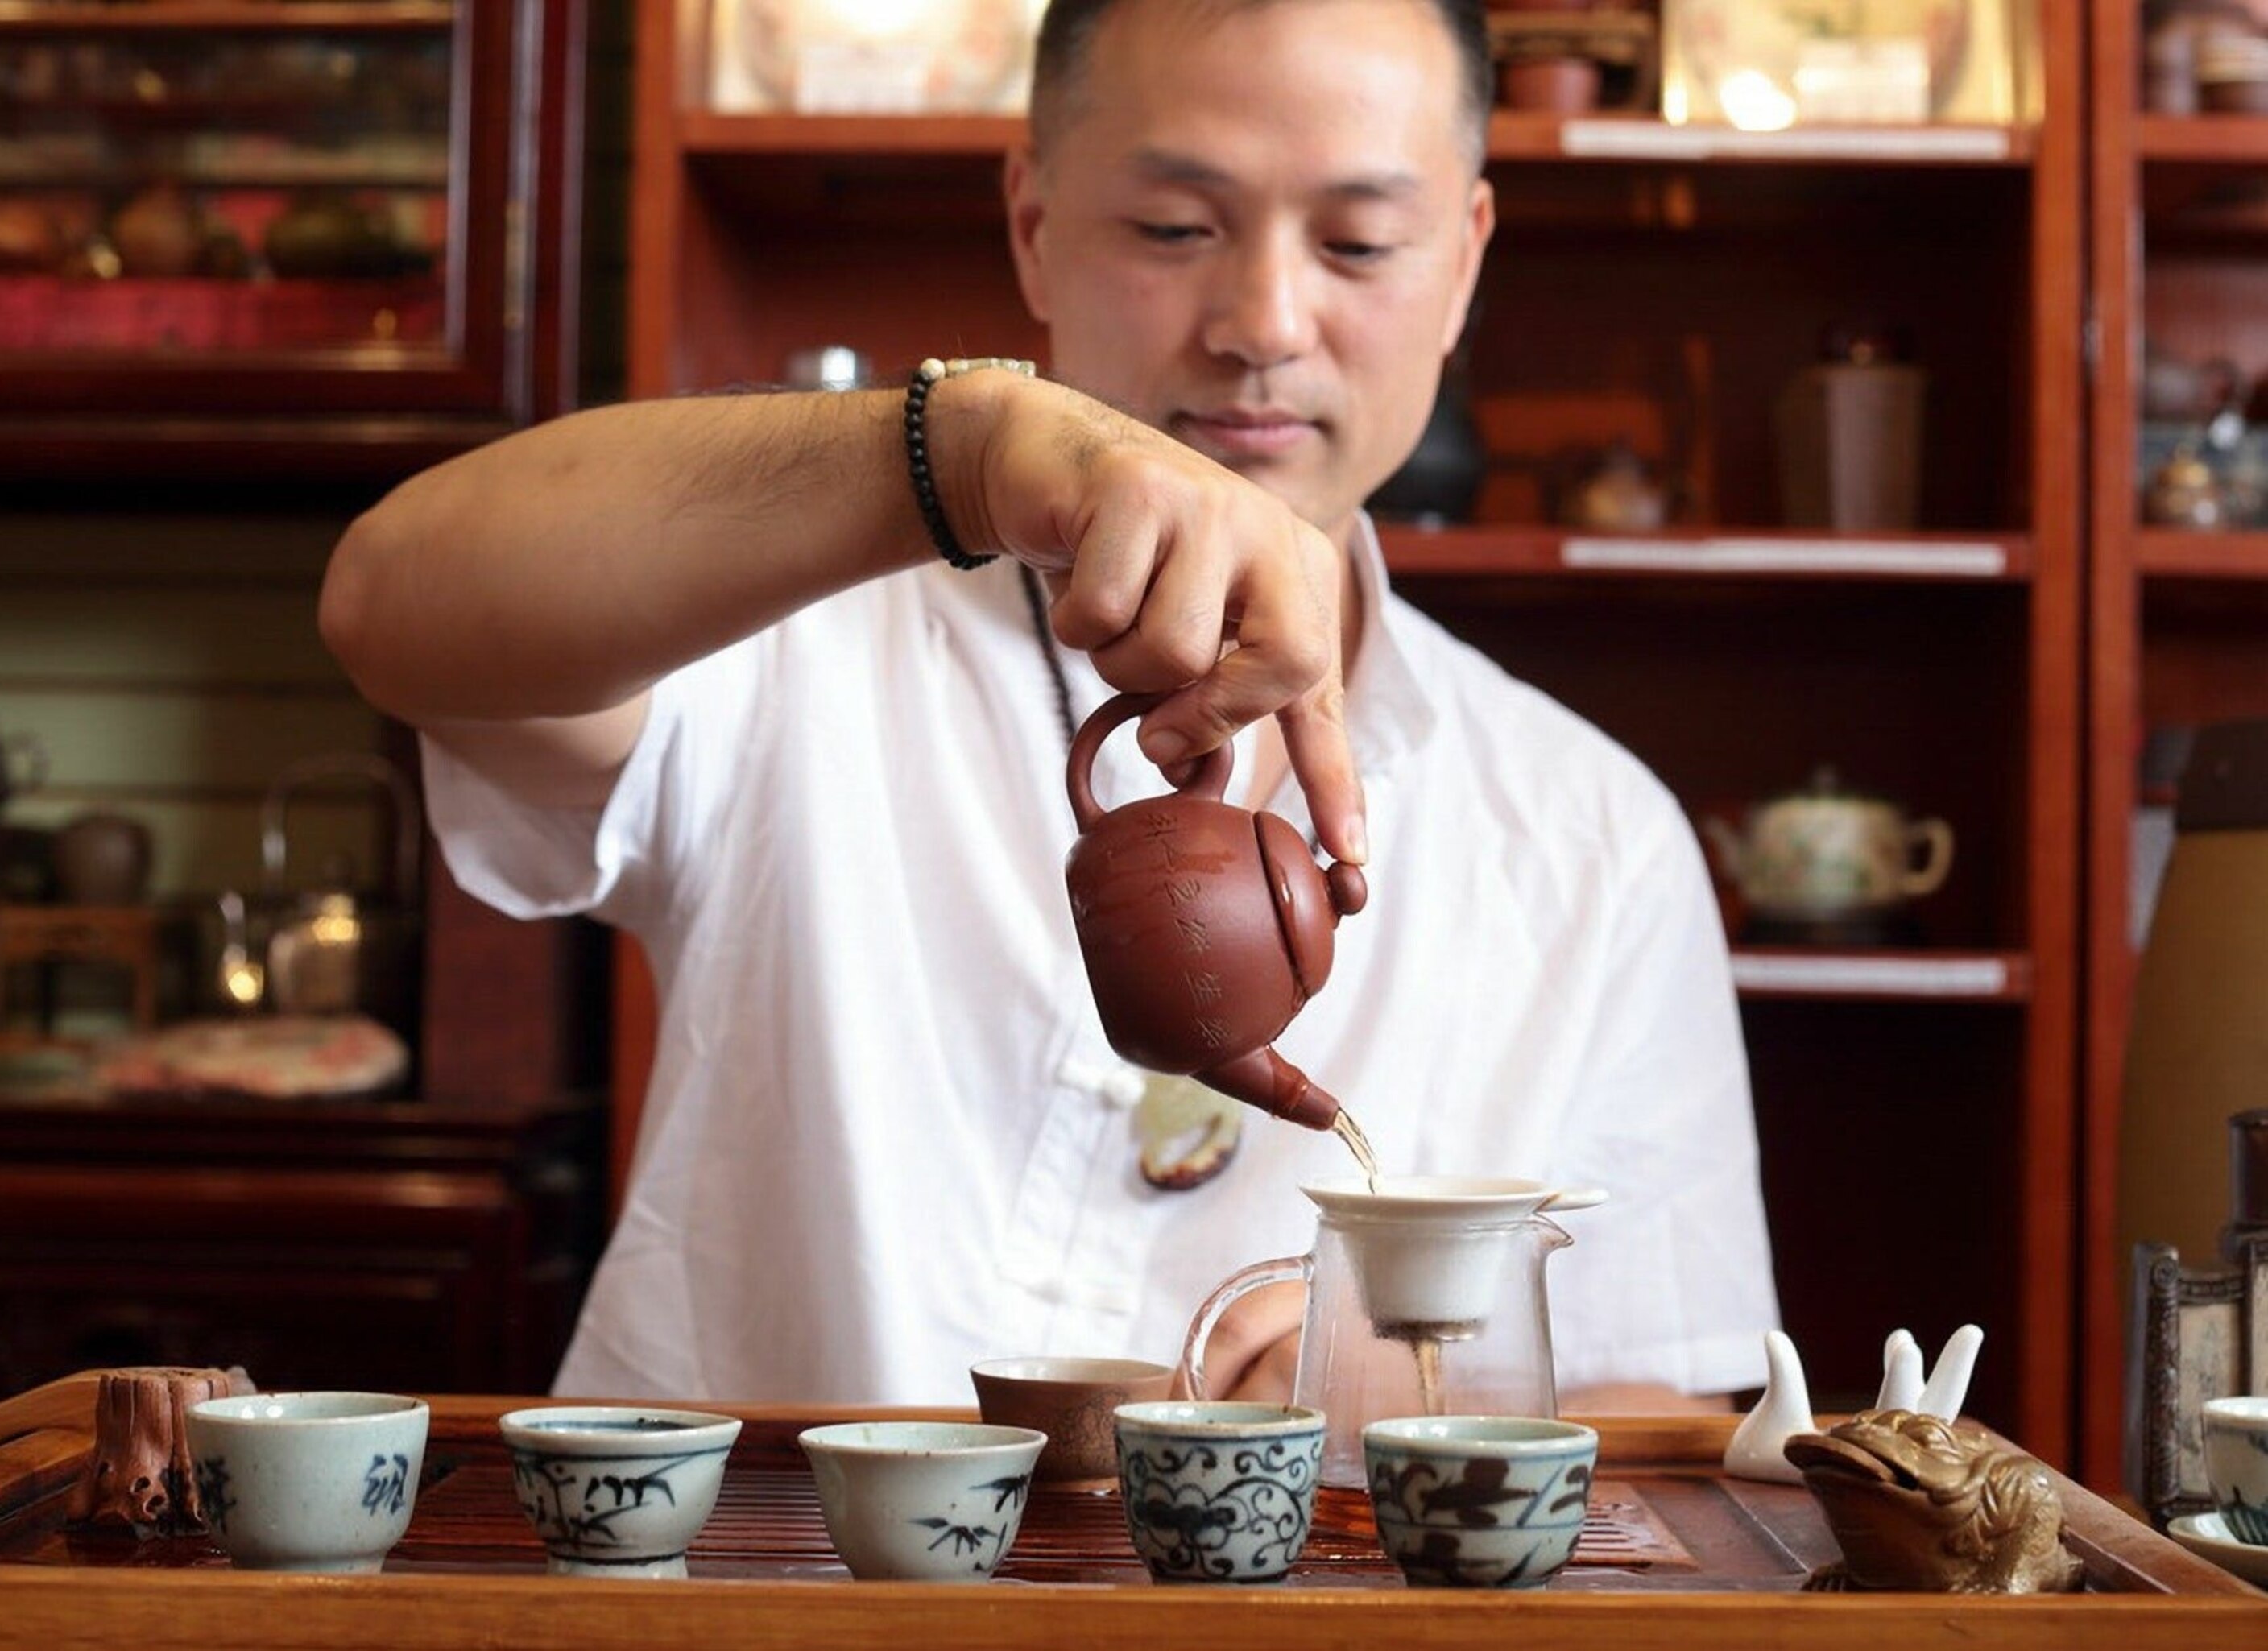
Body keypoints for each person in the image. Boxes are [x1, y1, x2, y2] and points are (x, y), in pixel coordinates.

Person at [319, 0, 1779, 1410]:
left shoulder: (1593, 835)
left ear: (1462, 261)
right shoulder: (788, 646)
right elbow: (389, 606)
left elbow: (1670, 1383)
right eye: (1173, 228)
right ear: (1031, 223)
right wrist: (955, 448)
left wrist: (1440, 1376)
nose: (1264, 321)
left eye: (1359, 240)